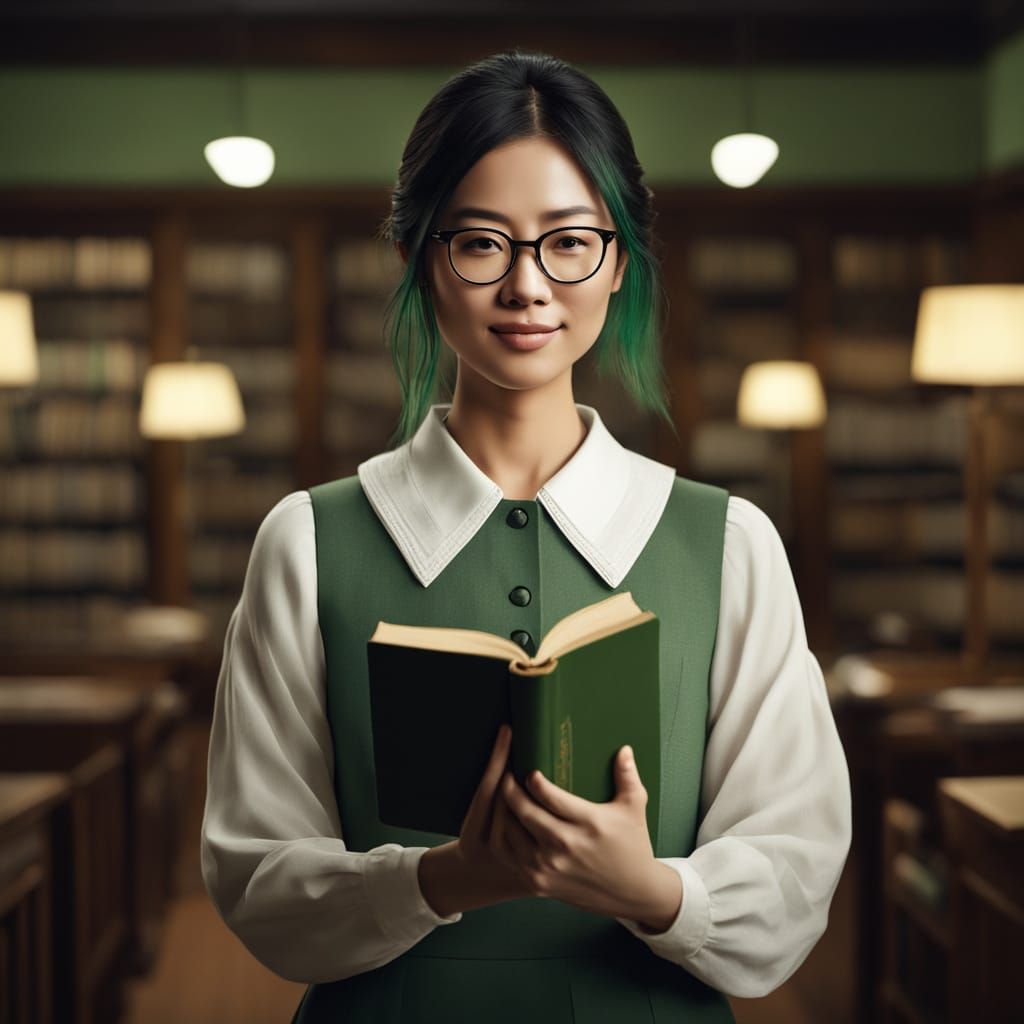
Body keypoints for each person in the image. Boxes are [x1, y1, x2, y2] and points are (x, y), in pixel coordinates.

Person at [200, 48, 852, 1024]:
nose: (527, 286)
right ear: (420, 259)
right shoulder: (305, 541)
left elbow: (797, 865)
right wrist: (442, 877)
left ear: (618, 260)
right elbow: (255, 873)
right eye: (480, 243)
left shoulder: (729, 545)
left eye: (567, 242)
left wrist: (653, 888)